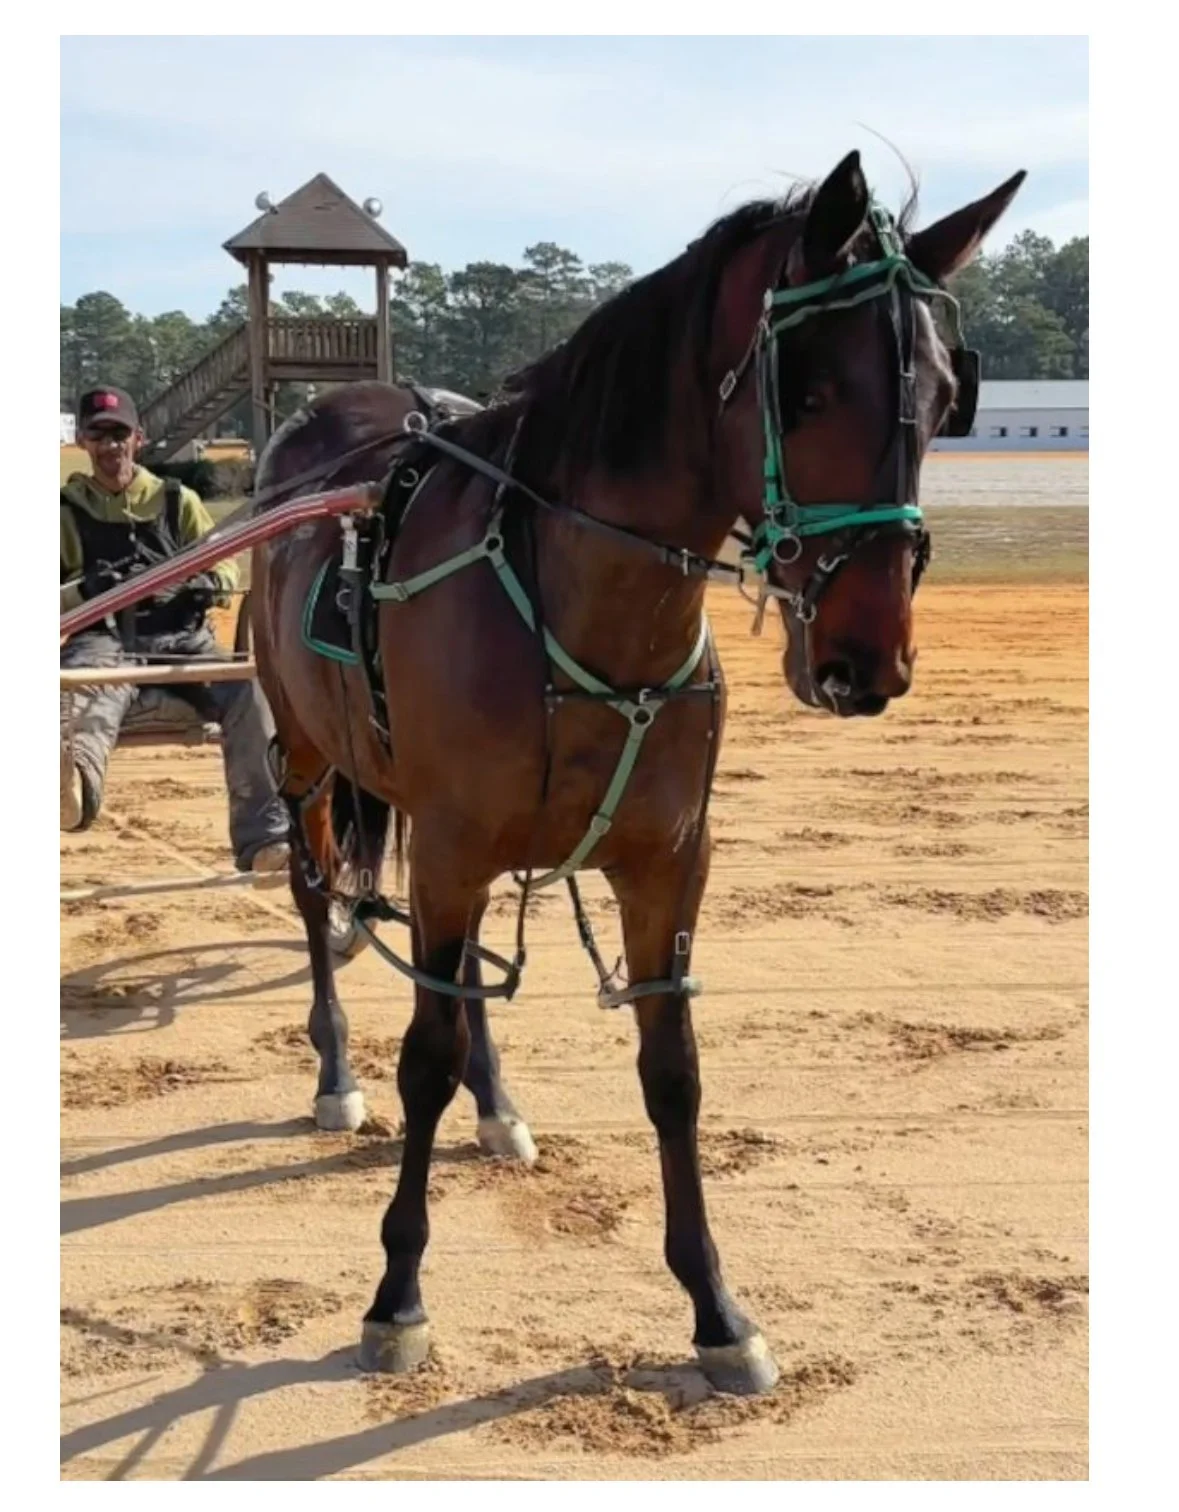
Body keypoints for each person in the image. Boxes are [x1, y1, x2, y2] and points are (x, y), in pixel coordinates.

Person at [60, 385, 290, 883]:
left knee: (249, 690)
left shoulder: (176, 500)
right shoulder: (62, 511)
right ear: (82, 439)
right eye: (98, 434)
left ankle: (265, 838)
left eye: (119, 433)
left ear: (137, 438)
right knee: (83, 689)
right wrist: (86, 590)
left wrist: (209, 584)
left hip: (185, 642)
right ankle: (75, 789)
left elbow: (225, 561)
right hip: (106, 642)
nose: (110, 445)